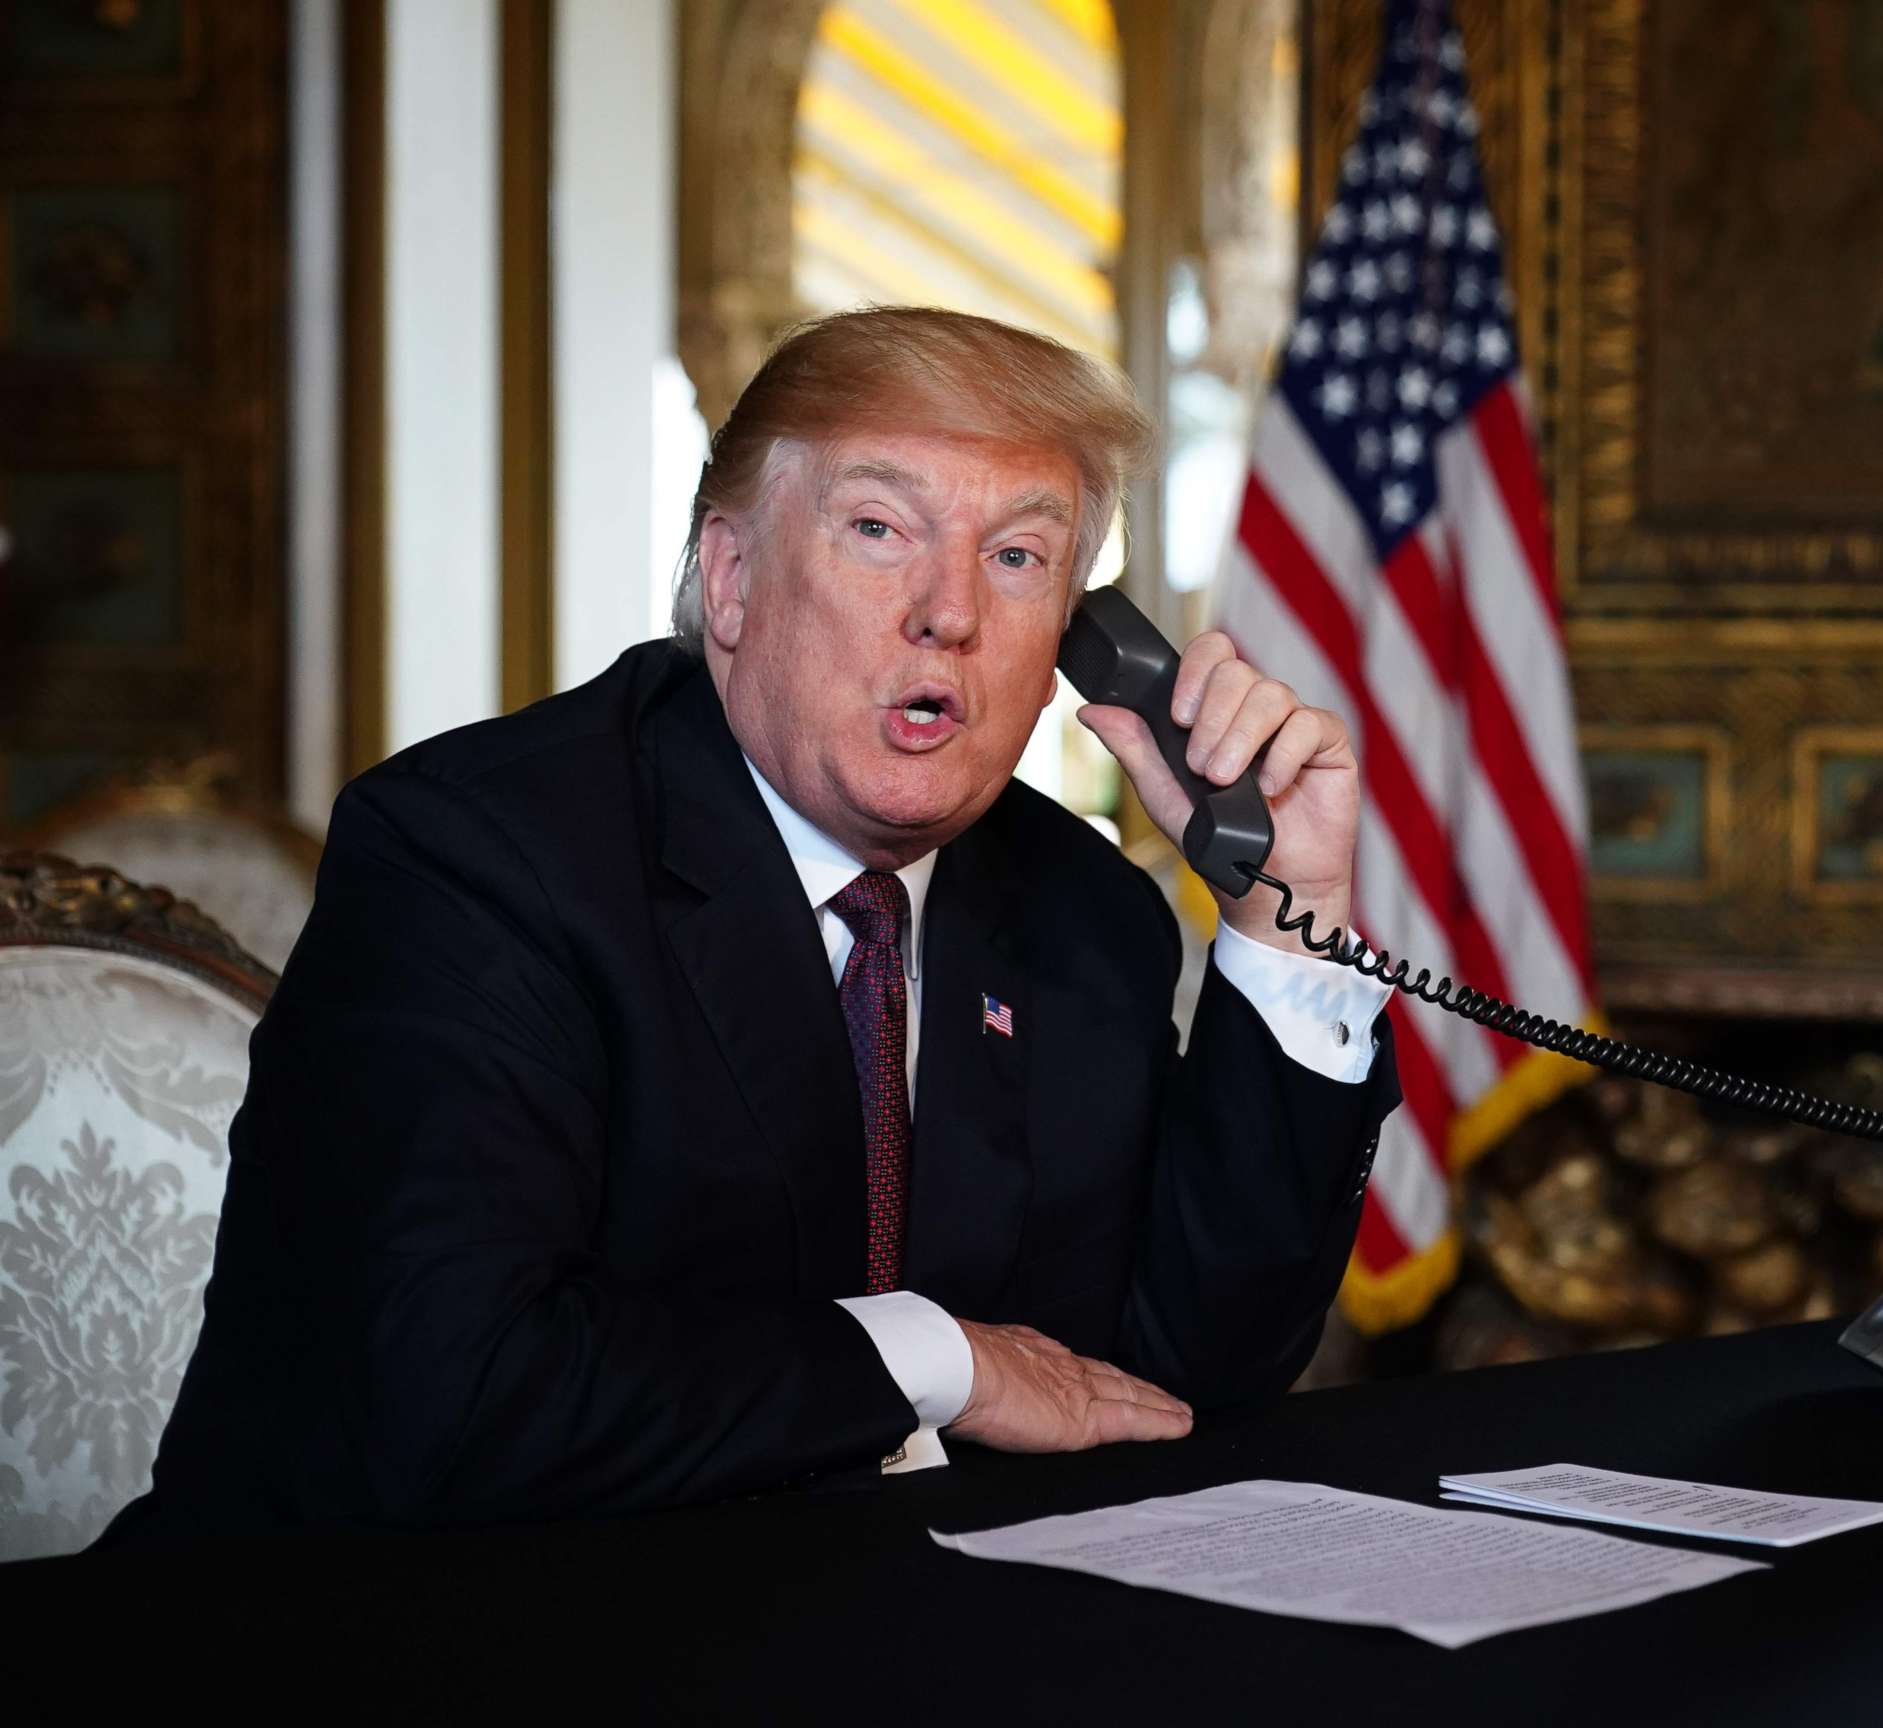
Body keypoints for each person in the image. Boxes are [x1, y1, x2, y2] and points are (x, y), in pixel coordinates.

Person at [103, 308, 1399, 1544]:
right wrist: (936, 1358)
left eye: (1018, 558)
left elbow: (1184, 1382)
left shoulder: (1086, 912)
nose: (949, 610)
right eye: (881, 528)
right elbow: (451, 1394)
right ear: (729, 577)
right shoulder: (477, 856)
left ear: (1077, 639)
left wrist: (1292, 922)